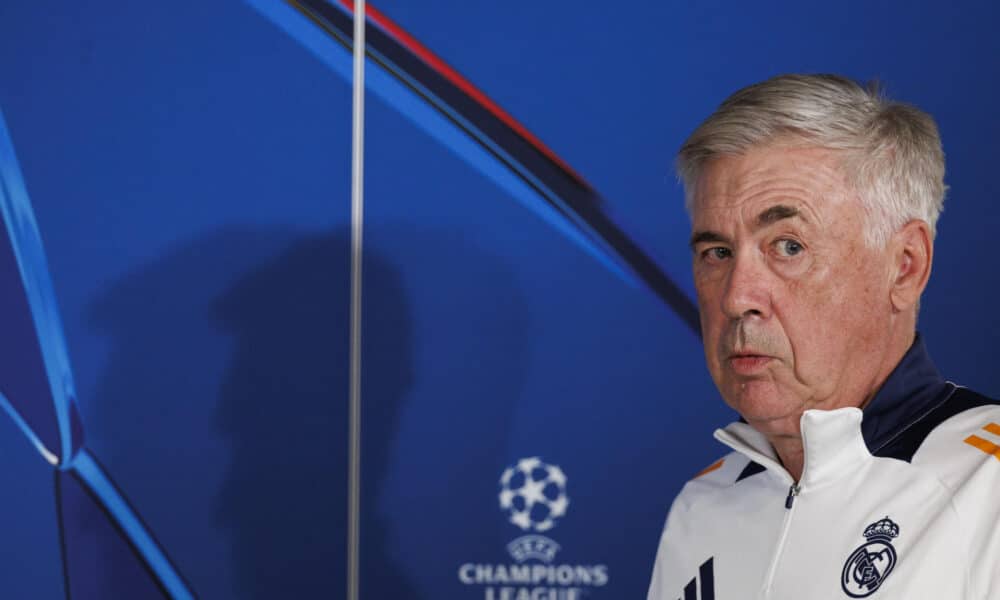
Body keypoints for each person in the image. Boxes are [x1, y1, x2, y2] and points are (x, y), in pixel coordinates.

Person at [647, 74, 1000, 600]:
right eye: (717, 253)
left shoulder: (988, 491)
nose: (737, 297)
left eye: (787, 246)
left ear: (905, 267)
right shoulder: (703, 506)